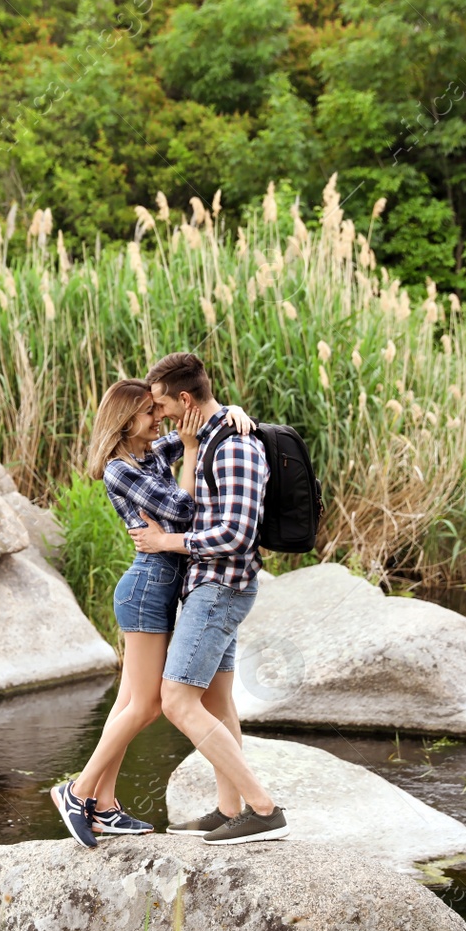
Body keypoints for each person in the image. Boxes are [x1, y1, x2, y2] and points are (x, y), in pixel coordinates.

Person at [51, 379, 253, 848]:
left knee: (126, 704)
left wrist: (235, 412)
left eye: (156, 410)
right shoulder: (120, 468)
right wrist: (186, 449)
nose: (157, 418)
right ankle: (77, 792)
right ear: (126, 422)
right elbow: (183, 511)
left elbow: (194, 428)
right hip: (147, 586)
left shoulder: (147, 452)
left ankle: (104, 807)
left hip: (161, 588)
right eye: (147, 413)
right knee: (148, 705)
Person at [130, 352, 288, 844]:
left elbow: (237, 535)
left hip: (221, 585)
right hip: (210, 585)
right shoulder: (206, 435)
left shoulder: (235, 447)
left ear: (184, 399)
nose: (159, 418)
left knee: (177, 700)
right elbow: (159, 452)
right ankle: (228, 809)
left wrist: (167, 543)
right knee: (218, 704)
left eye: (161, 406)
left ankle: (263, 809)